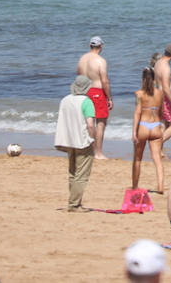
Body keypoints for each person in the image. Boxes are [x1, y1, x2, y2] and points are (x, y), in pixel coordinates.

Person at [54, 75, 97, 211]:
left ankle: (74, 201)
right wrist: (93, 138)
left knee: (73, 172)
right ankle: (74, 204)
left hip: (69, 140)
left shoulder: (65, 100)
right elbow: (90, 124)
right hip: (83, 141)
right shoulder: (87, 102)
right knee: (82, 175)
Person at [76, 36, 113, 159]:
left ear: (90, 45)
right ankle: (98, 152)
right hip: (97, 91)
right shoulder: (100, 61)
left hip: (84, 90)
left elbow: (78, 76)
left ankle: (87, 150)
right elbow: (105, 81)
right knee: (101, 123)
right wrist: (109, 98)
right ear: (101, 46)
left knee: (87, 122)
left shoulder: (82, 59)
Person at [132, 66, 166, 193]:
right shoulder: (160, 93)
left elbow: (137, 113)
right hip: (155, 126)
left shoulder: (139, 94)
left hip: (143, 126)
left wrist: (134, 132)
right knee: (157, 159)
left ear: (142, 78)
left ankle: (135, 186)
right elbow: (161, 111)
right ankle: (161, 186)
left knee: (137, 159)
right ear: (154, 78)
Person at [154, 43, 171, 149]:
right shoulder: (166, 67)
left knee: (163, 124)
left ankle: (159, 151)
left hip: (157, 96)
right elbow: (165, 87)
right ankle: (158, 144)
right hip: (164, 98)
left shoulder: (158, 63)